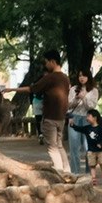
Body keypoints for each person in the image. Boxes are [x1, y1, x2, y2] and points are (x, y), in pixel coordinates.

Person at [26, 49, 72, 177]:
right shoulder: (65, 78)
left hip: (50, 118)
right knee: (59, 145)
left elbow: (33, 88)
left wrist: (12, 89)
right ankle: (67, 170)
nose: (45, 64)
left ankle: (59, 172)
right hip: (61, 118)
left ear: (52, 61)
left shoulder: (50, 77)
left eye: (46, 62)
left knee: (52, 147)